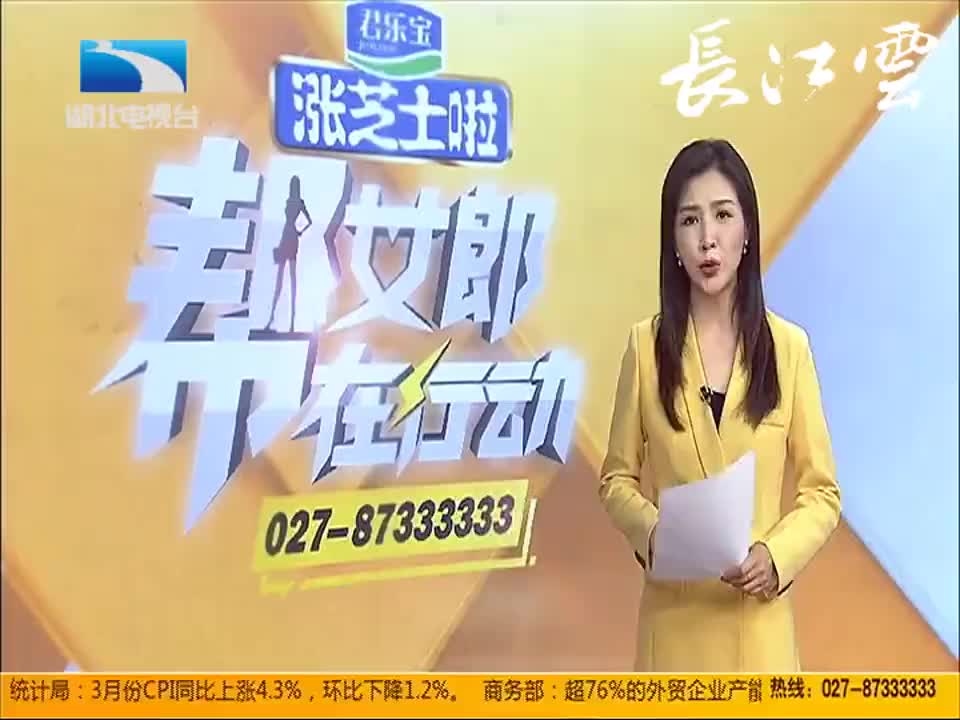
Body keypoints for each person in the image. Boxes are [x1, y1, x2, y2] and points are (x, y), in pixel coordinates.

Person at [599, 138, 841, 672]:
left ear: (747, 231)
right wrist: (654, 533)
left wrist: (777, 557)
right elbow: (616, 479)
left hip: (758, 641)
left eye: (723, 215)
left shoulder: (788, 349)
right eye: (690, 220)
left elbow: (821, 492)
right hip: (673, 639)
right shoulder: (645, 348)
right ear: (674, 240)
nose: (707, 238)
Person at [265, 175, 313, 333]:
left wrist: (300, 231)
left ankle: (291, 321)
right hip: (287, 236)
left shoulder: (297, 202)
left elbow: (309, 221)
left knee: (291, 280)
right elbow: (308, 221)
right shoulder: (292, 201)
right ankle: (274, 318)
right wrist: (299, 231)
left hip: (290, 237)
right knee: (282, 280)